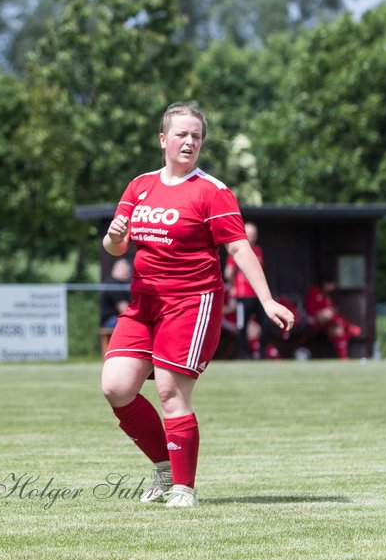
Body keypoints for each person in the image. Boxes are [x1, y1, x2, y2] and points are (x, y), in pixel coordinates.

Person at [100, 103, 294, 509]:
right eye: (181, 135)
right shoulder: (139, 186)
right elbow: (115, 244)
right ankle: (164, 466)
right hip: (144, 304)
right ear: (163, 139)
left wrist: (266, 299)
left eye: (196, 136)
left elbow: (239, 248)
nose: (189, 142)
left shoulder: (212, 190)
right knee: (116, 387)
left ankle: (184, 489)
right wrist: (115, 236)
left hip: (192, 302)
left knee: (171, 391)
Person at [224, 221, 269, 359]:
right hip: (243, 296)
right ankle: (245, 354)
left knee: (265, 324)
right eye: (248, 234)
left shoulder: (258, 251)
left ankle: (261, 353)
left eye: (253, 234)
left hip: (258, 295)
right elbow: (228, 273)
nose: (251, 237)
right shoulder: (237, 251)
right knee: (242, 325)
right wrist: (235, 286)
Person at [304, 275, 361, 359]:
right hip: (313, 320)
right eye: (332, 284)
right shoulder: (314, 291)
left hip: (328, 324)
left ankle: (344, 357)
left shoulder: (328, 295)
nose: (333, 287)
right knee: (327, 314)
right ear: (326, 283)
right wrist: (323, 312)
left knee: (338, 330)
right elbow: (310, 310)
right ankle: (348, 326)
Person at [98, 257, 132, 355]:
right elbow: (124, 309)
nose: (128, 273)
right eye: (126, 270)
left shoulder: (119, 284)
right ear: (117, 269)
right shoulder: (113, 285)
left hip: (115, 318)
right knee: (135, 325)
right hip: (110, 320)